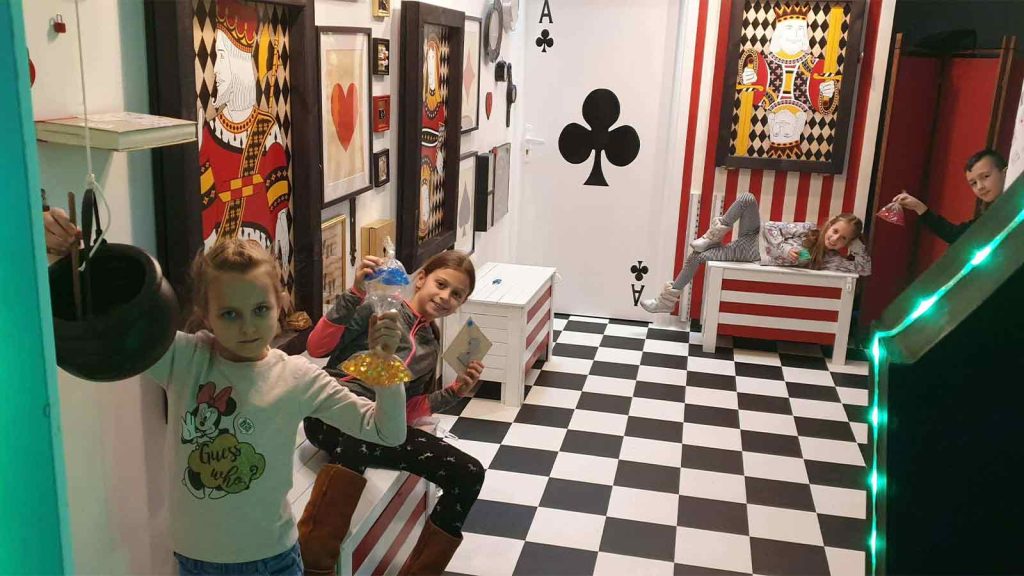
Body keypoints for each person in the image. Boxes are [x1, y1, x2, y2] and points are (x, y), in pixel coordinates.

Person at [43, 208, 406, 576]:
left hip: (272, 561)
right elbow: (105, 328)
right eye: (230, 314)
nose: (248, 327)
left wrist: (386, 364)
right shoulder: (182, 358)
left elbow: (386, 432)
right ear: (206, 314)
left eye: (260, 309)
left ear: (281, 303)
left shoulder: (297, 377)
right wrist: (63, 262)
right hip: (195, 562)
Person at [299, 251, 485, 576]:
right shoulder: (378, 307)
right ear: (421, 278)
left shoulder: (430, 345)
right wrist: (355, 292)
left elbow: (408, 410)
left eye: (457, 295)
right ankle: (316, 569)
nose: (446, 297)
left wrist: (455, 392)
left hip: (377, 427)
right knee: (358, 436)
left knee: (469, 473)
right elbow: (317, 347)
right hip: (330, 413)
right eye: (441, 284)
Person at [641, 192, 871, 313]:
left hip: (751, 252)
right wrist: (785, 248)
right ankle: (712, 236)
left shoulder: (827, 259)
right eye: (835, 231)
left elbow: (864, 269)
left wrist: (857, 244)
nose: (835, 239)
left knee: (697, 257)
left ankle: (666, 301)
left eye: (843, 238)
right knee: (747, 198)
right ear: (830, 225)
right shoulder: (808, 230)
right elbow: (770, 227)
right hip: (755, 233)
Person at [893, 149, 1008, 244]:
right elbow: (955, 235)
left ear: (1005, 173)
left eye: (986, 176)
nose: (980, 187)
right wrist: (918, 207)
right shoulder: (989, 217)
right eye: (973, 183)